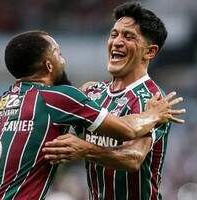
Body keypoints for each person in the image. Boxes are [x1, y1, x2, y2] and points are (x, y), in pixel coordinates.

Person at [0, 30, 185, 200]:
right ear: (49, 65)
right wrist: (154, 114)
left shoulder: (3, 102)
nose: (63, 59)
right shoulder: (58, 97)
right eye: (58, 53)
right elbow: (129, 129)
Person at [42, 2, 176, 200]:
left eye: (128, 36)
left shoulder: (153, 101)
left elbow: (133, 158)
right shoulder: (92, 92)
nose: (117, 42)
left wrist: (85, 149)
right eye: (114, 35)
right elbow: (49, 127)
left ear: (150, 52)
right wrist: (1, 128)